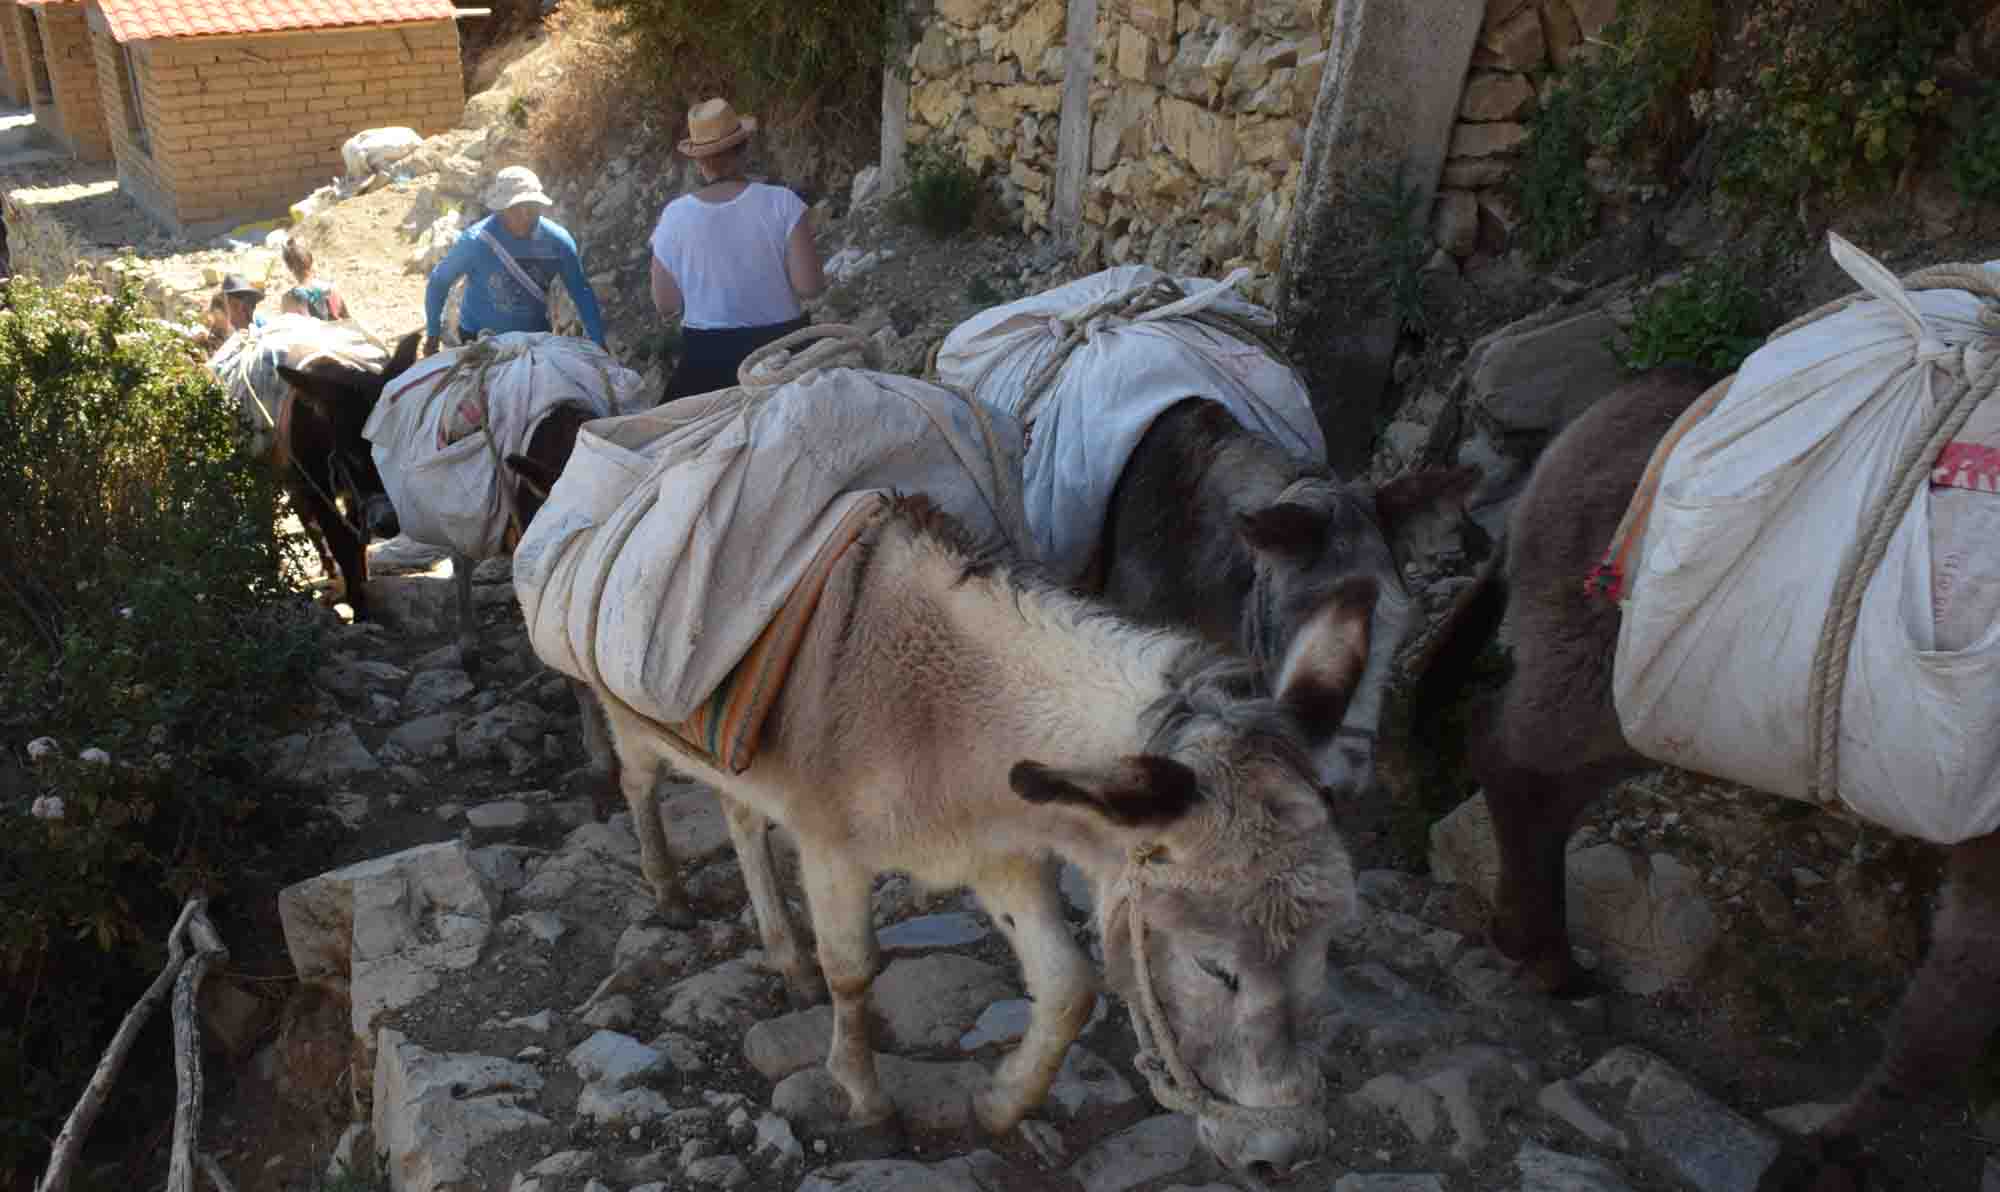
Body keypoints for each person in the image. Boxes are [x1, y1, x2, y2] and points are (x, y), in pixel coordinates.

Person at [649, 97, 825, 400]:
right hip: (782, 355)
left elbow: (666, 304)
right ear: (743, 148)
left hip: (708, 363)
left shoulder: (674, 216)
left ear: (699, 161)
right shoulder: (783, 202)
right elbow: (810, 287)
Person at [422, 166, 606, 356]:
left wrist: (598, 341)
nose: (525, 216)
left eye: (531, 206)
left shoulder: (557, 242)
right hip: (479, 338)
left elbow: (581, 291)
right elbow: (439, 281)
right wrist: (433, 335)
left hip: (533, 339)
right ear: (501, 209)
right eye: (515, 208)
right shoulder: (476, 242)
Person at [279, 237, 348, 321]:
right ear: (312, 262)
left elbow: (287, 327)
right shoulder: (331, 288)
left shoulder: (288, 299)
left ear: (290, 268)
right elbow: (348, 321)